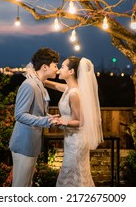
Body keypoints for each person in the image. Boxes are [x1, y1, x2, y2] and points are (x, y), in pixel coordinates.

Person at [43, 56, 104, 187]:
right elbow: (53, 85)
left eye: (63, 66)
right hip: (71, 140)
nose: (60, 69)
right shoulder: (68, 89)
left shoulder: (74, 94)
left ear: (71, 72)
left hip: (77, 142)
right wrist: (41, 79)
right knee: (77, 175)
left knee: (72, 176)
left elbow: (81, 121)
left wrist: (62, 122)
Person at [9, 47, 59, 187]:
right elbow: (19, 115)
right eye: (55, 66)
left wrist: (49, 117)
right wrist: (45, 120)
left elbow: (36, 112)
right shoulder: (30, 85)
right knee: (21, 187)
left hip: (31, 144)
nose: (57, 69)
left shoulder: (39, 85)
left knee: (27, 185)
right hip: (24, 144)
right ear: (44, 67)